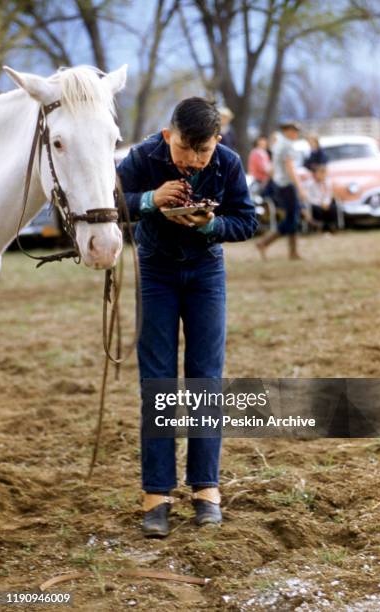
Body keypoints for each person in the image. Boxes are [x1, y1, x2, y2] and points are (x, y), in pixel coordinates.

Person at [117, 97, 257, 537]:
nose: (194, 161)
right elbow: (108, 205)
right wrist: (148, 200)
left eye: (204, 151)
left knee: (205, 380)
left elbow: (247, 221)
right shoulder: (141, 158)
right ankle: (156, 495)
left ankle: (205, 489)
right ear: (167, 136)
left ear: (218, 140)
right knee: (157, 381)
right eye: (184, 150)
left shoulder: (229, 163)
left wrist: (210, 226)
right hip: (155, 273)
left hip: (206, 274)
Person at [255, 121, 307, 260]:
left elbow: (271, 168)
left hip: (279, 185)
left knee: (292, 217)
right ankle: (264, 243)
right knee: (292, 219)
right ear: (287, 131)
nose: (296, 133)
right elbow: (290, 168)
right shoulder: (287, 145)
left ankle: (293, 252)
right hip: (287, 186)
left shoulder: (278, 144)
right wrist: (300, 187)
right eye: (294, 131)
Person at [303, 165, 338, 232]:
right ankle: (319, 227)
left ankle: (331, 226)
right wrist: (320, 203)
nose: (323, 175)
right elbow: (308, 197)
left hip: (325, 203)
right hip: (315, 203)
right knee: (317, 210)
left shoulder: (327, 183)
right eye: (320, 173)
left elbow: (328, 194)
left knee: (333, 208)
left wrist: (326, 203)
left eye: (324, 173)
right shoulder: (309, 184)